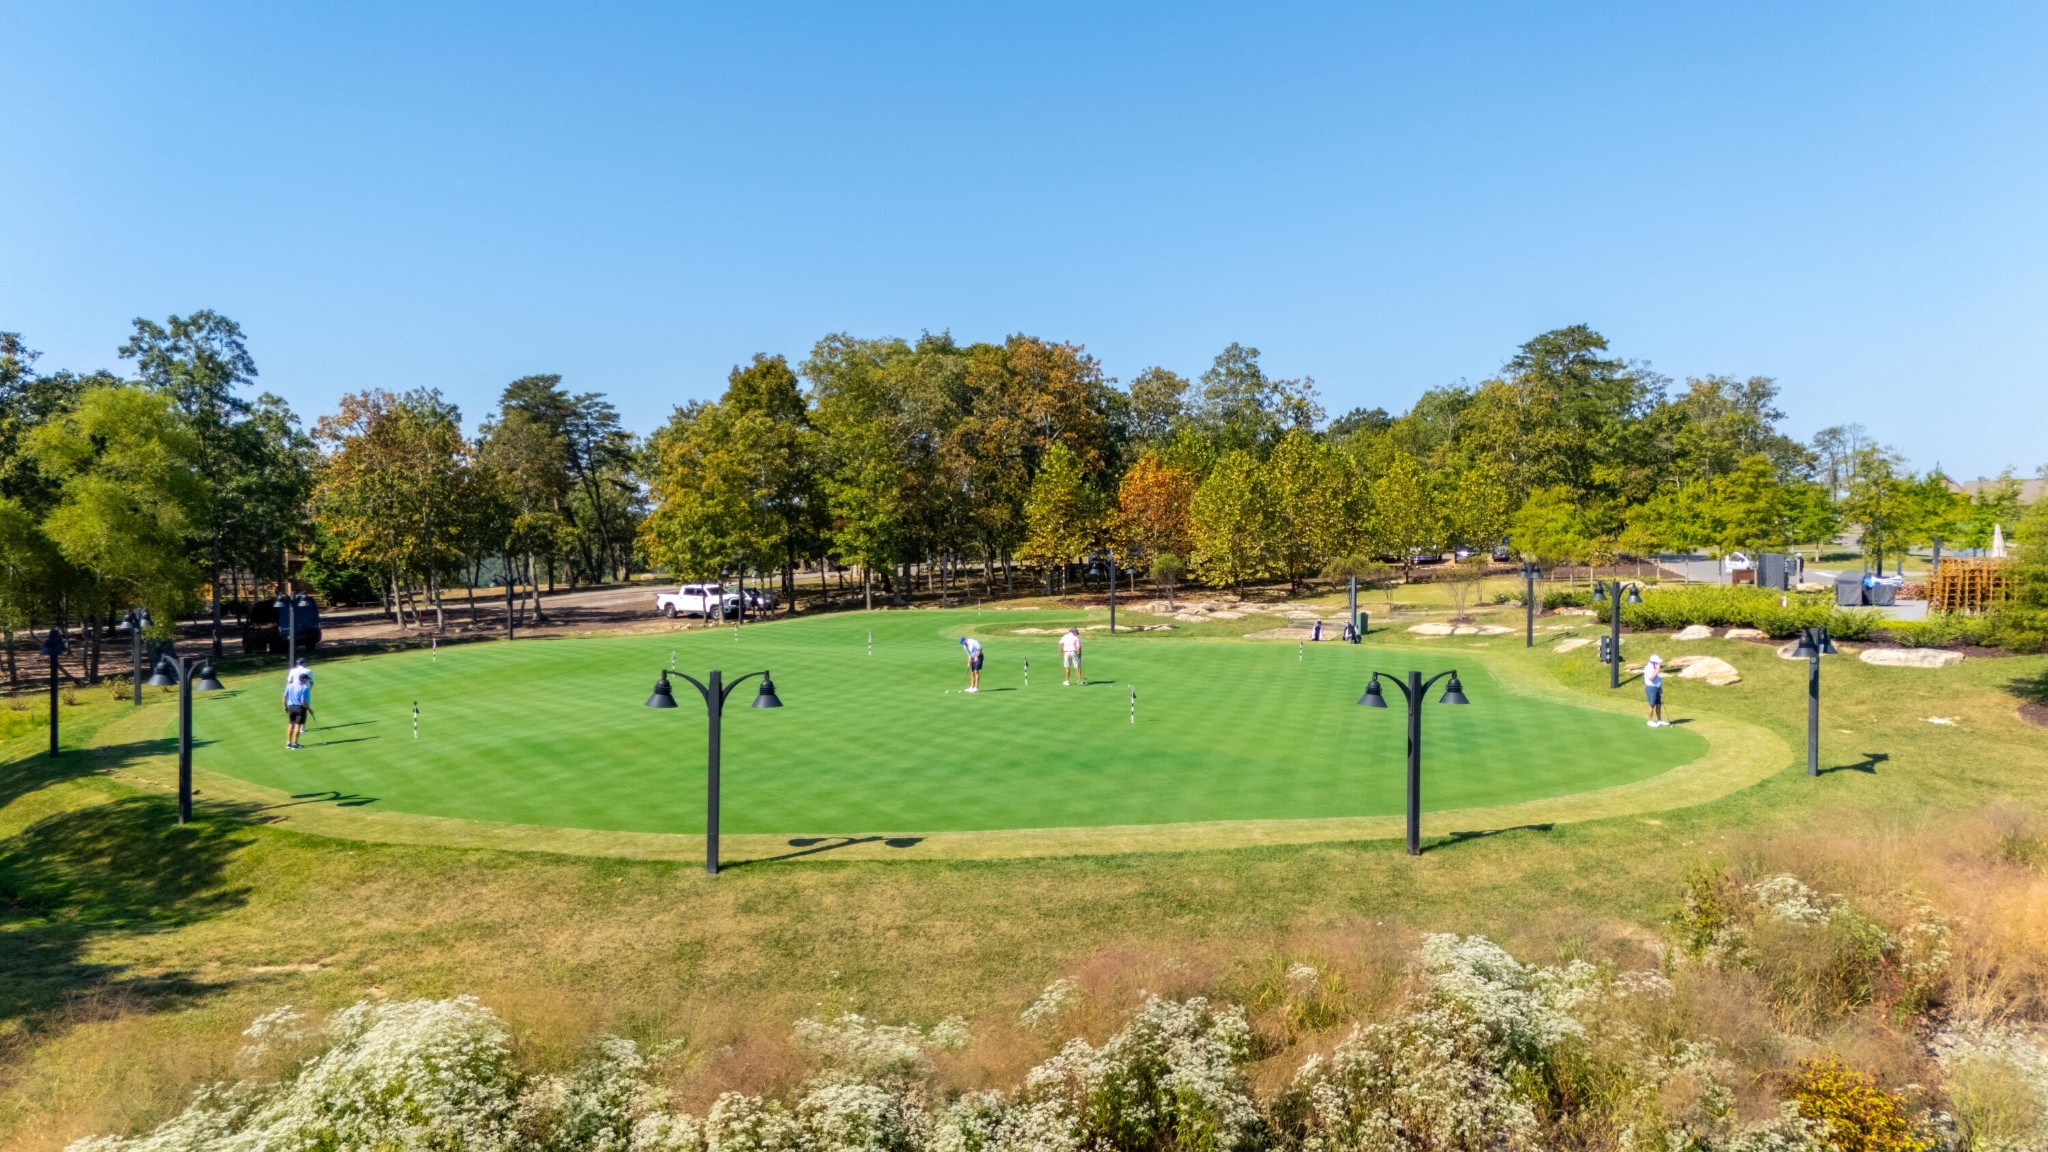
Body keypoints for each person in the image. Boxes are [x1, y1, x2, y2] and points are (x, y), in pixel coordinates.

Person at [283, 660, 313, 749]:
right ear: (303, 679)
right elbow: (303, 701)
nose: (307, 680)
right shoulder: (304, 688)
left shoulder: (290, 686)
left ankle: (288, 742)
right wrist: (309, 709)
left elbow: (284, 697)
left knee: (291, 725)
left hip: (291, 707)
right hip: (300, 708)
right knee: (298, 726)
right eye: (306, 679)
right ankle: (295, 744)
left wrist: (285, 706)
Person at [1643, 653, 1667, 728]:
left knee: (1659, 704)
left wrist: (1660, 687)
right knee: (1652, 704)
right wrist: (1657, 670)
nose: (1659, 663)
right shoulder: (1648, 668)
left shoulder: (1655, 667)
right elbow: (1652, 678)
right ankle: (1650, 721)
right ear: (1653, 662)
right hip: (1651, 688)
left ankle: (1659, 720)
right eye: (1658, 662)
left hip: (1657, 687)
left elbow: (1658, 678)